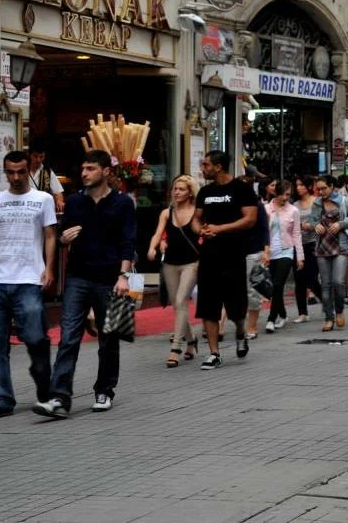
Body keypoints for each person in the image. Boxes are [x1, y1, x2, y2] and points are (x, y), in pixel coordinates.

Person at [35, 150, 137, 418]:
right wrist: (64, 239)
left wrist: (124, 276)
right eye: (83, 168)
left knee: (108, 339)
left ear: (106, 171)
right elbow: (62, 236)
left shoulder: (122, 203)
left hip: (109, 278)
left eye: (91, 168)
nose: (84, 173)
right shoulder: (75, 202)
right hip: (78, 277)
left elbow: (128, 242)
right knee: (68, 337)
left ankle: (104, 390)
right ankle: (59, 398)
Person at [0, 150, 57, 419]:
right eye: (10, 172)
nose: (16, 177)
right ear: (5, 171)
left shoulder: (42, 199)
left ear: (28, 168)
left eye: (21, 172)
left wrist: (49, 268)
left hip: (28, 280)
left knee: (36, 338)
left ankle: (44, 383)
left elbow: (49, 235)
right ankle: (1, 398)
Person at [193, 150, 258, 369]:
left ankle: (241, 334)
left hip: (233, 254)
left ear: (218, 166)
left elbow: (250, 219)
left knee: (236, 306)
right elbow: (196, 218)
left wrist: (220, 229)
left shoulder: (241, 189)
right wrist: (201, 231)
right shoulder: (204, 191)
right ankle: (214, 352)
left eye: (206, 164)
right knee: (208, 305)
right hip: (209, 255)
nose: (203, 168)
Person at [146, 175, 201, 367]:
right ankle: (191, 340)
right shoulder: (167, 212)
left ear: (190, 192)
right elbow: (158, 233)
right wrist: (152, 247)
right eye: (175, 189)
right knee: (177, 305)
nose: (177, 192)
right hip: (170, 263)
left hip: (191, 263)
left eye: (181, 189)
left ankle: (175, 348)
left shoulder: (197, 212)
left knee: (180, 301)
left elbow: (204, 234)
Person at [309, 175, 348, 331]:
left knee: (339, 282)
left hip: (341, 246)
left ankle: (339, 311)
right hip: (323, 246)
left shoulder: (345, 202)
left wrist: (341, 224)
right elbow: (313, 221)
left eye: (324, 188)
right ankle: (328, 318)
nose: (321, 192)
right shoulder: (317, 204)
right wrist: (315, 225)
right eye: (318, 189)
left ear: (331, 186)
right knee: (326, 284)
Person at [264, 180, 302, 333]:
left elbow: (296, 234)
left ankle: (271, 319)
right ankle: (283, 314)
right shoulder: (266, 209)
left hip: (286, 251)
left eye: (288, 195)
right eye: (283, 194)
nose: (286, 198)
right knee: (273, 287)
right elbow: (262, 232)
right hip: (270, 252)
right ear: (276, 193)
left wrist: (300, 256)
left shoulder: (293, 210)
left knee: (278, 285)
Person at [293, 176, 321, 322]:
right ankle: (302, 312)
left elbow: (322, 220)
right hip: (298, 244)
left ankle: (327, 303)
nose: (298, 188)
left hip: (313, 243)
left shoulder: (316, 202)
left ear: (309, 186)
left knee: (312, 277)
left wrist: (311, 226)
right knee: (299, 279)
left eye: (301, 185)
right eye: (297, 185)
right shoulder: (294, 204)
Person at [243, 196, 270, 339]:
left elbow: (264, 228)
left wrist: (266, 250)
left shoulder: (257, 205)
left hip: (253, 251)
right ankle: (221, 327)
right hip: (232, 252)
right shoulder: (230, 204)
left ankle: (252, 326)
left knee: (252, 291)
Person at [27, 137, 64, 213]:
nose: (38, 160)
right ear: (29, 155)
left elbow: (58, 192)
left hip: (42, 211)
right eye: (35, 156)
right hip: (25, 209)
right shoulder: (23, 170)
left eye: (41, 157)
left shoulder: (47, 171)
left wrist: (59, 201)